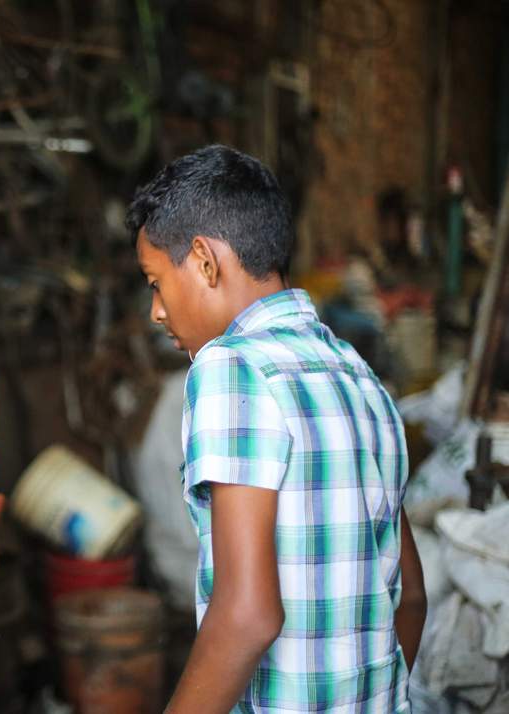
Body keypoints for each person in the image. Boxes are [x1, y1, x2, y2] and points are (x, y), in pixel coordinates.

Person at [127, 145, 427, 713]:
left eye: (156, 283)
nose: (157, 312)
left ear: (205, 261)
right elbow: (410, 599)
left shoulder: (229, 366)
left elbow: (248, 615)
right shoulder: (359, 375)